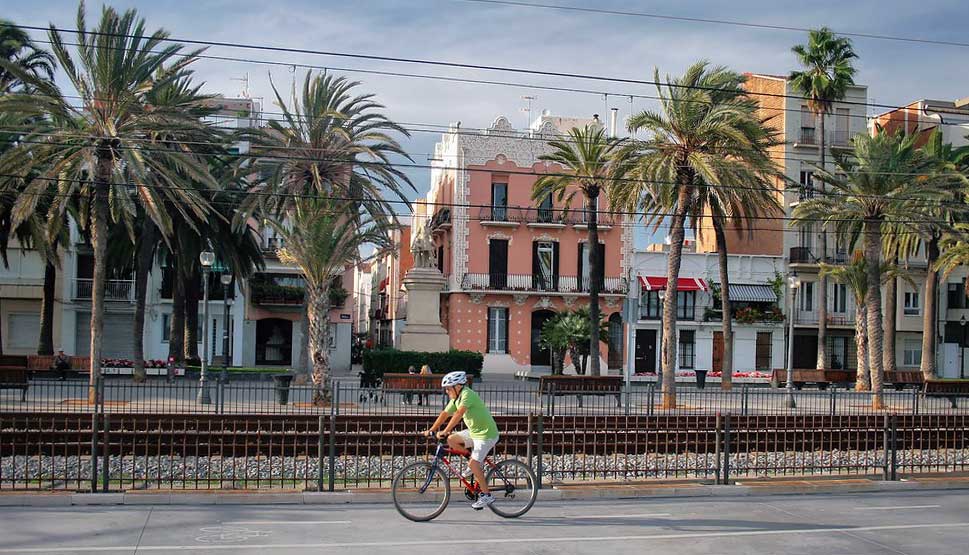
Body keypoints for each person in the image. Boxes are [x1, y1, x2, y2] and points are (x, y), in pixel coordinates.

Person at [422, 371, 499, 510]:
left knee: (474, 464)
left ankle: (487, 495)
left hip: (486, 435)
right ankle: (473, 464)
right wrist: (432, 429)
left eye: (448, 388)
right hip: (475, 433)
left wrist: (444, 431)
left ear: (458, 387)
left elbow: (458, 414)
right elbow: (445, 414)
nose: (446, 391)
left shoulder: (467, 395)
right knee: (451, 440)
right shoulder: (456, 399)